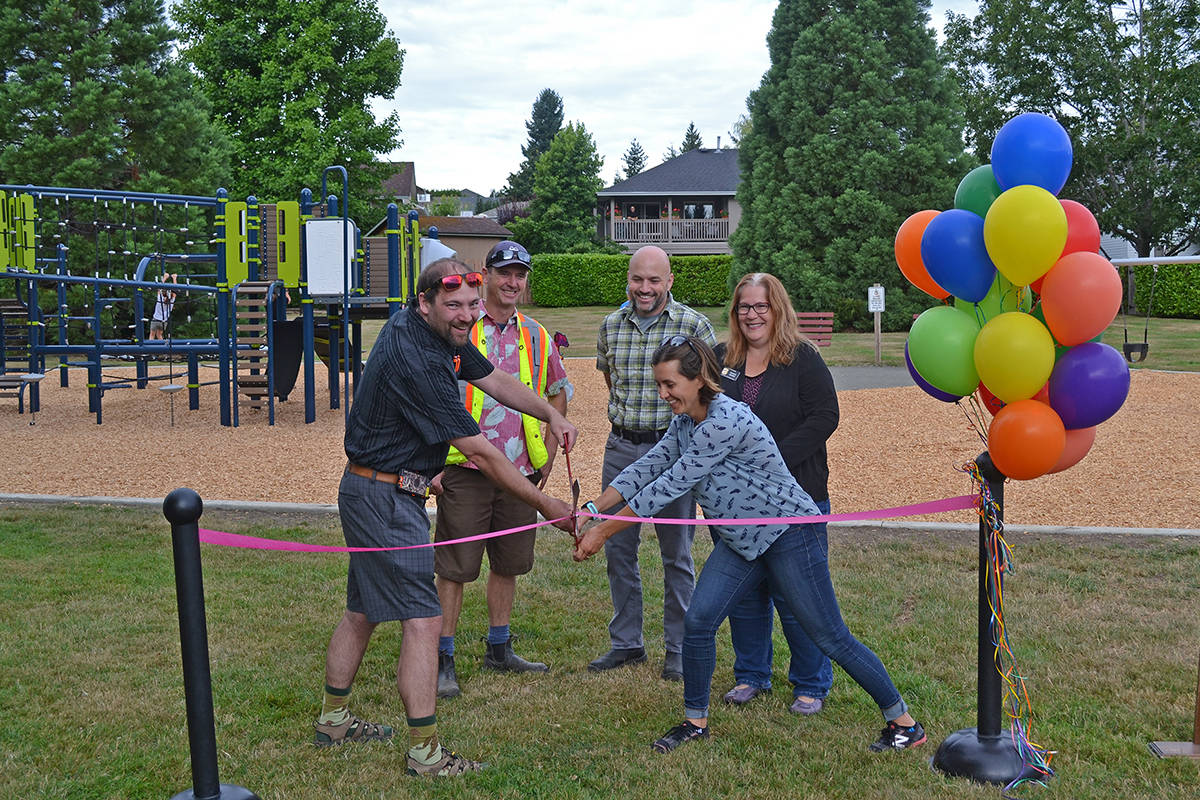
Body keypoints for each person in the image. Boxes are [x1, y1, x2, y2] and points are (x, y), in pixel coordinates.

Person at [574, 336, 925, 754]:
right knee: (700, 621)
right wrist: (593, 506)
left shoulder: (725, 420)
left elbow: (671, 484)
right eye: (660, 385)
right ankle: (695, 721)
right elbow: (649, 466)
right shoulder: (686, 422)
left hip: (791, 534)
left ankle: (904, 723)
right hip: (743, 541)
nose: (663, 394)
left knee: (830, 636)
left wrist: (601, 531)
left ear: (700, 378)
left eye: (670, 385)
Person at [314, 258, 578, 778]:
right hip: (385, 498)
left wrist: (550, 412)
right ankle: (425, 753)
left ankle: (334, 720)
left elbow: (497, 379)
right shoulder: (419, 359)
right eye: (454, 306)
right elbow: (480, 453)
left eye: (471, 306)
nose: (465, 316)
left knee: (363, 610)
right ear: (425, 303)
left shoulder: (436, 335)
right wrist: (547, 505)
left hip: (379, 489)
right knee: (424, 618)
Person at [434, 240, 572, 698]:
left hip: (519, 473)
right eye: (504, 273)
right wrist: (431, 462)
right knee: (455, 567)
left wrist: (546, 456)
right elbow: (428, 399)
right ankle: (442, 656)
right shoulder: (459, 328)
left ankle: (499, 647)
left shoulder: (536, 334)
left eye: (521, 274)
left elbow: (557, 392)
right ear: (485, 275)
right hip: (465, 467)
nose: (513, 282)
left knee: (509, 564)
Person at [714, 273, 839, 716]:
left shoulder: (802, 358)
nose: (752, 315)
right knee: (745, 595)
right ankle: (751, 675)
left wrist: (772, 460)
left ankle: (810, 683)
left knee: (798, 595)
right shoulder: (720, 358)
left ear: (778, 310)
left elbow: (825, 416)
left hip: (795, 496)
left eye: (761, 306)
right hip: (735, 504)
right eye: (744, 307)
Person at [592, 245, 716, 680]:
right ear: (628, 279)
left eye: (654, 280)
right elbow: (611, 380)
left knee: (675, 554)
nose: (644, 289)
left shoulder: (694, 326)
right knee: (618, 551)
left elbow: (708, 391)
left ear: (669, 281)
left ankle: (678, 649)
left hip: (674, 454)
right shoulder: (610, 326)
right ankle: (626, 643)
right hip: (623, 446)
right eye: (637, 280)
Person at [150, 272, 176, 339]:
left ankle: (150, 348)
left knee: (152, 335)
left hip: (155, 319)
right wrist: (174, 278)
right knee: (159, 335)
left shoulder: (160, 299)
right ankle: (162, 347)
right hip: (164, 321)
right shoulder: (171, 302)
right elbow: (175, 291)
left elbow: (159, 288)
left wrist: (165, 278)